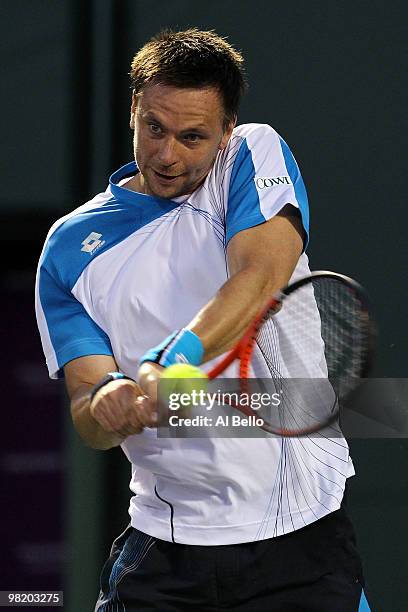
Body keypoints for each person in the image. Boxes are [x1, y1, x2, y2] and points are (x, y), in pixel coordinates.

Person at [35, 28, 369, 611]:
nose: (168, 154)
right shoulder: (67, 249)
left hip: (301, 542)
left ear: (226, 133)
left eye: (193, 137)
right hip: (163, 549)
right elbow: (88, 417)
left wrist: (173, 362)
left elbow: (258, 279)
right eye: (154, 128)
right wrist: (109, 404)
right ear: (133, 110)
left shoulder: (252, 156)